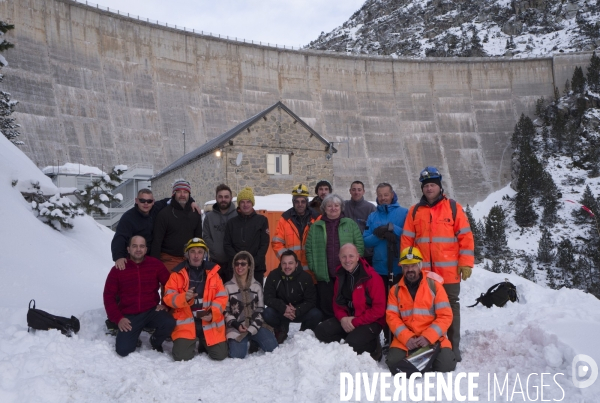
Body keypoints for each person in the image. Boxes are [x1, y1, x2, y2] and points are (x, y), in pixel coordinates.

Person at [400, 166, 474, 362]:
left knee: (450, 307)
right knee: (426, 309)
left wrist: (466, 263)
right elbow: (407, 241)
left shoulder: (452, 207)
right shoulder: (414, 211)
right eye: (426, 186)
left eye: (433, 185)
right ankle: (430, 344)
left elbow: (465, 237)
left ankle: (453, 346)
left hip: (448, 272)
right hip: (423, 273)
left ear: (439, 187)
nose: (429, 189)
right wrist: (408, 266)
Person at [386, 246, 456, 374]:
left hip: (433, 339)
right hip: (406, 340)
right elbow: (392, 317)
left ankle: (421, 359)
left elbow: (446, 316)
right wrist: (407, 338)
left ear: (420, 265)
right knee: (392, 363)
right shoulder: (395, 290)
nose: (410, 270)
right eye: (406, 266)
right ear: (402, 267)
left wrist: (428, 337)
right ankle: (422, 359)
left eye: (413, 265)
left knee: (446, 366)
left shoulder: (435, 286)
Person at [103, 235, 175, 357]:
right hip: (130, 316)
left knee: (169, 322)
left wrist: (165, 304)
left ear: (146, 249)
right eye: (134, 246)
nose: (138, 249)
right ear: (128, 249)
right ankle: (133, 337)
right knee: (123, 350)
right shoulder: (118, 269)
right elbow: (108, 296)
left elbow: (170, 286)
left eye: (142, 246)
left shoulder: (155, 265)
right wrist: (119, 318)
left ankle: (155, 341)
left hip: (151, 311)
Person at [313, 243, 385, 361]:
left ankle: (373, 345)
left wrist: (355, 322)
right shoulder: (341, 275)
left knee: (352, 346)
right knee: (321, 331)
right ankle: (353, 337)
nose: (347, 260)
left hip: (370, 321)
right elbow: (337, 303)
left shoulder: (372, 277)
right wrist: (343, 319)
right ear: (339, 258)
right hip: (348, 318)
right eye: (344, 256)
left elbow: (379, 310)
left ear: (358, 257)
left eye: (351, 256)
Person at [163, 238, 228, 361]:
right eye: (193, 251)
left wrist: (212, 313)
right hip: (187, 320)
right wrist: (183, 298)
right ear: (187, 254)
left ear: (205, 254)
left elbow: (222, 297)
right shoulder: (177, 274)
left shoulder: (214, 273)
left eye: (200, 252)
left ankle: (203, 342)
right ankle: (192, 341)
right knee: (181, 356)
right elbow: (168, 297)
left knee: (220, 355)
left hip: (207, 319)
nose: (196, 255)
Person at [363, 183, 408, 346]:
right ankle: (385, 339)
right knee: (380, 306)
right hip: (379, 269)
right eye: (380, 195)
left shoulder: (404, 213)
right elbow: (365, 241)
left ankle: (399, 338)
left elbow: (410, 235)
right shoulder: (373, 216)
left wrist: (393, 229)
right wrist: (380, 234)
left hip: (399, 268)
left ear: (392, 194)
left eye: (386, 195)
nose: (383, 198)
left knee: (399, 306)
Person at [306, 194, 364, 319]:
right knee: (326, 303)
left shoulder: (350, 224)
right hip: (324, 272)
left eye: (336, 205)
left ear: (341, 207)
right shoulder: (316, 226)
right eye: (329, 206)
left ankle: (344, 325)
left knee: (345, 301)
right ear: (324, 208)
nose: (333, 208)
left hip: (346, 272)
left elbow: (359, 245)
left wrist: (355, 265)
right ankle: (328, 327)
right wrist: (314, 267)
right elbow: (309, 248)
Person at [111, 188, 200, 270]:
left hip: (151, 256)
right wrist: (119, 256)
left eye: (149, 201)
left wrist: (191, 201)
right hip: (135, 257)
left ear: (153, 201)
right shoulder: (128, 218)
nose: (146, 204)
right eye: (142, 201)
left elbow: (176, 199)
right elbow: (120, 237)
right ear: (136, 201)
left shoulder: (156, 208)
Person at [224, 251, 278, 358]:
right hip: (236, 327)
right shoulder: (227, 287)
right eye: (237, 264)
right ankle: (236, 342)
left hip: (256, 326)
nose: (239, 267)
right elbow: (225, 310)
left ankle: (253, 339)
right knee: (237, 355)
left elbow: (261, 309)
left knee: (273, 348)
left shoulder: (256, 286)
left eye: (243, 264)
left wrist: (251, 329)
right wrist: (236, 325)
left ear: (249, 266)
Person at [263, 250, 323, 344]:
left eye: (290, 263)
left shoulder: (305, 277)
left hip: (299, 312)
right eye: (284, 263)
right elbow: (267, 297)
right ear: (281, 264)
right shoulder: (273, 275)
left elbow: (311, 301)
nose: (287, 267)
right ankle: (281, 329)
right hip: (281, 312)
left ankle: (304, 331)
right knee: (267, 313)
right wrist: (283, 308)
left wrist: (297, 310)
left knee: (316, 314)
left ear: (296, 264)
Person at [151, 179, 203, 271]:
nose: (182, 195)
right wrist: (155, 265)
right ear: (174, 194)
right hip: (169, 259)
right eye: (179, 192)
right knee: (173, 284)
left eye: (185, 192)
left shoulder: (195, 213)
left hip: (190, 258)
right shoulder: (164, 214)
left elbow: (198, 238)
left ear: (189, 194)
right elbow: (157, 241)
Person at [271, 184, 320, 279]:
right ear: (293, 202)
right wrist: (287, 261)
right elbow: (277, 243)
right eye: (297, 201)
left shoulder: (317, 218)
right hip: (291, 271)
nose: (300, 204)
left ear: (307, 202)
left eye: (302, 201)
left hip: (312, 272)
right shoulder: (284, 219)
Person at [223, 186, 270, 283]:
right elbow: (227, 244)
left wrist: (253, 262)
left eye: (248, 202)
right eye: (242, 202)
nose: (245, 205)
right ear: (239, 204)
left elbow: (264, 244)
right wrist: (238, 262)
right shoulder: (231, 223)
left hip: (256, 268)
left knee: (255, 296)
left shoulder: (262, 220)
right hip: (236, 269)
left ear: (252, 203)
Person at [203, 184, 237, 283]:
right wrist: (215, 249)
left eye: (226, 197)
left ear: (231, 198)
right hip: (215, 262)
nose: (223, 199)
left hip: (233, 263)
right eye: (220, 197)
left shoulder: (237, 215)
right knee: (216, 293)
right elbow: (206, 236)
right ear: (216, 198)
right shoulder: (209, 217)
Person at [344, 180, 377, 266]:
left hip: (366, 253)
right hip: (347, 253)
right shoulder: (343, 206)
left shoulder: (371, 208)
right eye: (354, 189)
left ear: (363, 191)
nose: (356, 192)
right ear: (350, 191)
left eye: (359, 190)